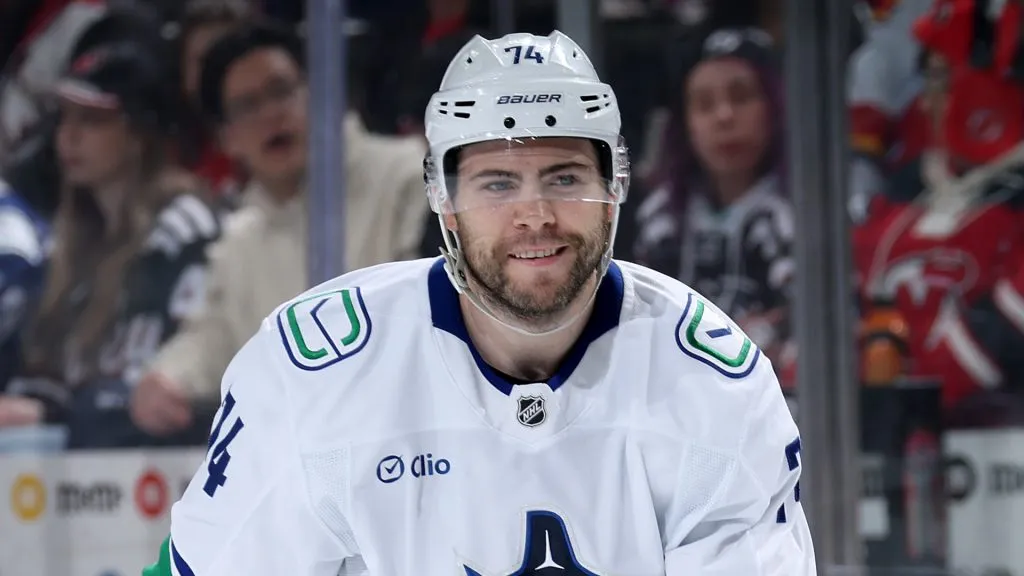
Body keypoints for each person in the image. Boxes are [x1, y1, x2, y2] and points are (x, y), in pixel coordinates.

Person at [142, 31, 814, 575]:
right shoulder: (315, 371)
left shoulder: (712, 379)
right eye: (497, 183)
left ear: (616, 189)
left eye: (565, 177)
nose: (535, 214)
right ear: (445, 203)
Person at [129, 21, 428, 438]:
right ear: (227, 139)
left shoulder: (406, 175)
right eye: (248, 105)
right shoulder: (240, 238)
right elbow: (213, 334)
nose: (271, 114)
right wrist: (166, 378)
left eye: (282, 91)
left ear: (319, 94)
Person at [2, 43, 221, 445]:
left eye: (92, 119)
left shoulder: (183, 228)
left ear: (138, 133)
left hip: (164, 464)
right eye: (64, 118)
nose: (69, 136)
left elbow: (159, 384)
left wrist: (51, 411)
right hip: (76, 472)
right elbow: (47, 371)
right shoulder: (69, 242)